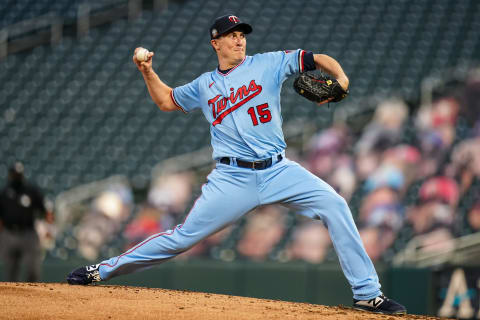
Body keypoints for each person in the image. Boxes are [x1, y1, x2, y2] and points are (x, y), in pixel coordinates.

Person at [67, 14, 406, 315]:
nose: (239, 39)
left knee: (335, 204)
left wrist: (342, 78)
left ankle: (367, 295)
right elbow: (166, 100)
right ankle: (101, 271)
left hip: (278, 170)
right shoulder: (204, 85)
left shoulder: (270, 62)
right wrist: (147, 71)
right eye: (231, 35)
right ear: (216, 43)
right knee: (182, 238)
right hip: (232, 178)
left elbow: (318, 59)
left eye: (242, 34)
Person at [0, 162, 54, 282]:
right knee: (10, 270)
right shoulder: (4, 193)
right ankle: (13, 299)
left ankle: (33, 297)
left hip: (28, 233)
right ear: (10, 175)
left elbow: (46, 211)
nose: (16, 177)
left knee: (33, 269)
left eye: (18, 174)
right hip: (9, 233)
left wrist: (48, 229)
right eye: (14, 174)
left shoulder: (31, 191)